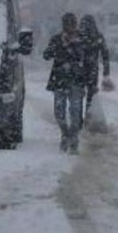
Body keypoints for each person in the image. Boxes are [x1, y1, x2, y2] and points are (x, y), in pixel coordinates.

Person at [44, 13, 86, 154]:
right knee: (59, 112)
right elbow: (46, 55)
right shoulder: (57, 39)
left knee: (75, 112)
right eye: (67, 25)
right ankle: (65, 133)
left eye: (72, 24)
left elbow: (89, 59)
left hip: (76, 81)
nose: (70, 28)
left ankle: (73, 138)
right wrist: (58, 46)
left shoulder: (82, 39)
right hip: (60, 80)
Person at [78, 15, 112, 110]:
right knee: (91, 93)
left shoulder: (79, 36)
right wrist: (106, 72)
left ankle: (77, 116)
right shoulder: (98, 36)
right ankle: (89, 113)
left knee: (78, 94)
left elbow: (71, 52)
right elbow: (105, 54)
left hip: (79, 69)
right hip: (93, 68)